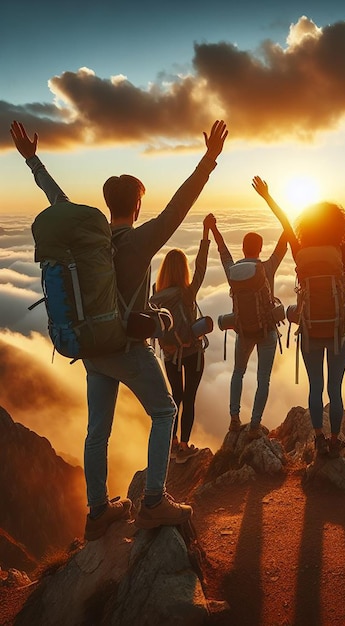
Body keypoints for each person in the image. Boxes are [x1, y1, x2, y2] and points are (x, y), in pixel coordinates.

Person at [10, 119, 228, 538]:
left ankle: (98, 512)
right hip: (128, 347)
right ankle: (154, 502)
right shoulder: (140, 242)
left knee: (98, 431)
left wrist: (32, 160)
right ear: (138, 206)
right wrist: (209, 159)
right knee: (165, 411)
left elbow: (58, 201)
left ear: (108, 204)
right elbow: (178, 207)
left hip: (92, 347)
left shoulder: (87, 241)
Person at [253, 175, 345, 458]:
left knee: (315, 387)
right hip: (338, 333)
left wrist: (267, 195)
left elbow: (285, 223)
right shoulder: (341, 251)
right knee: (335, 389)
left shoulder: (300, 251)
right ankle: (336, 439)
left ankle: (318, 439)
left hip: (310, 332)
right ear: (337, 225)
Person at [207, 214, 287, 438]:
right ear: (260, 249)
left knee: (238, 373)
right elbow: (284, 243)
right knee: (264, 379)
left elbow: (223, 252)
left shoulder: (233, 271)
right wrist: (289, 220)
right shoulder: (266, 267)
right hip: (267, 331)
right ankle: (254, 424)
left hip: (242, 332)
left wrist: (213, 229)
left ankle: (234, 418)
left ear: (243, 249)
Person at [153, 214, 213, 463]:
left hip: (169, 356)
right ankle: (185, 446)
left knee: (174, 397)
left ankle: (173, 443)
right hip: (193, 353)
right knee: (189, 398)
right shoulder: (187, 293)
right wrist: (205, 235)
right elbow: (201, 269)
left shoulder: (156, 297)